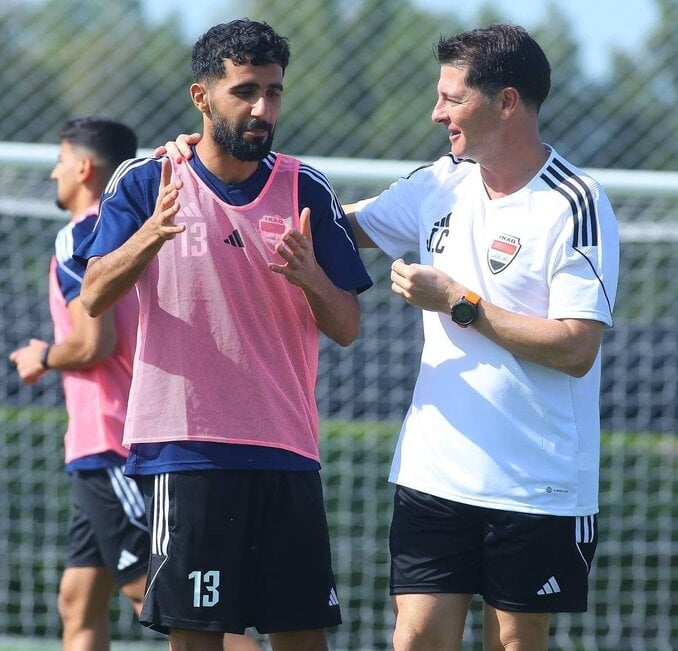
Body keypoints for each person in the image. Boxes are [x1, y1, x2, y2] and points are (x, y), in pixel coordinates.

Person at [164, 22, 620, 651]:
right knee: (415, 640)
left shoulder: (575, 203)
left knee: (516, 641)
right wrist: (217, 166)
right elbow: (328, 224)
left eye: (453, 99)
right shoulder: (442, 183)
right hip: (435, 473)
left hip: (536, 480)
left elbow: (577, 348)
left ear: (506, 102)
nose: (437, 113)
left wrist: (460, 304)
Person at [74, 18, 372, 651]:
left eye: (274, 91)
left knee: (302, 639)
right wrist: (149, 236)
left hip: (286, 447)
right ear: (201, 96)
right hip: (188, 450)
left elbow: (347, 327)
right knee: (200, 638)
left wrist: (312, 277)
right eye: (245, 91)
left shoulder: (305, 187)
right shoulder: (146, 180)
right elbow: (95, 295)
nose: (263, 108)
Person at [8, 117, 148, 650]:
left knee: (157, 598)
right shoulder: (130, 230)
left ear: (85, 169)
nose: (52, 174)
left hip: (114, 441)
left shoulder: (82, 234)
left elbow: (95, 342)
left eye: (60, 161)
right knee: (79, 597)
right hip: (106, 444)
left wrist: (43, 355)